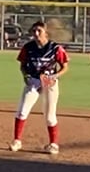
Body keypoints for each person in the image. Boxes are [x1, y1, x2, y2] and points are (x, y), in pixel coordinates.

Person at [10, 21, 68, 155]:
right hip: (34, 81)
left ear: (45, 32)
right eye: (34, 31)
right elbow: (22, 65)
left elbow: (65, 67)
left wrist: (55, 76)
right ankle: (17, 141)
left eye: (39, 31)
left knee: (50, 116)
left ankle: (54, 144)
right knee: (22, 111)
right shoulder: (28, 47)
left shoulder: (55, 48)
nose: (36, 33)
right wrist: (25, 75)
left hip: (49, 82)